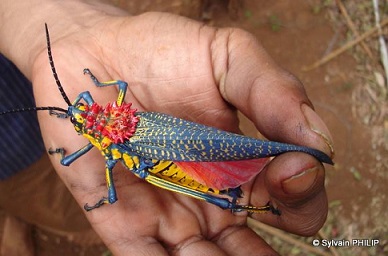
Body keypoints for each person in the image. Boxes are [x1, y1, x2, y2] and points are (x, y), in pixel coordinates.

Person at [0, 0, 334, 255]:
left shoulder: (101, 142)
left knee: (79, 190)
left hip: (150, 154)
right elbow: (113, 89)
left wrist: (61, 36)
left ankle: (244, 192)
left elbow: (109, 190)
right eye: (79, 116)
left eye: (80, 112)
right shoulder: (107, 116)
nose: (81, 107)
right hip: (21, 165)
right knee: (46, 195)